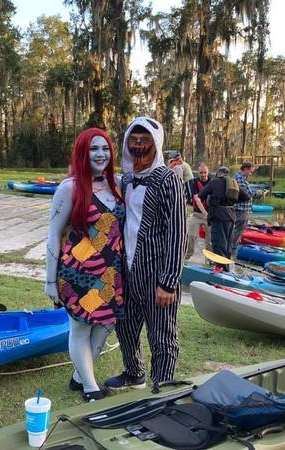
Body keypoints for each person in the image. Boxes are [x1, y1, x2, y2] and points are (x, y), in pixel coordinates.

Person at [105, 117, 186, 390]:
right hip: (128, 269)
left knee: (161, 334)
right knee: (125, 326)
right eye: (134, 140)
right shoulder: (127, 180)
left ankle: (162, 386)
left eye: (145, 140)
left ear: (156, 143)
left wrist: (169, 281)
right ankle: (134, 371)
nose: (139, 146)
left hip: (157, 273)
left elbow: (177, 232)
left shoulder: (169, 180)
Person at [45, 128, 125, 402]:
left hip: (110, 273)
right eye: (93, 149)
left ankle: (80, 377)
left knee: (104, 325)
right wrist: (49, 280)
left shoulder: (115, 186)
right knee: (81, 327)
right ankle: (91, 388)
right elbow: (53, 234)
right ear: (82, 152)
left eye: (105, 148)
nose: (101, 154)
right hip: (77, 274)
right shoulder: (70, 188)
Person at [198, 166, 250, 269]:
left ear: (218, 173)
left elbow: (201, 194)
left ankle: (220, 268)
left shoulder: (214, 182)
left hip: (217, 215)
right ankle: (226, 268)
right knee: (227, 243)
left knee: (218, 243)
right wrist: (231, 202)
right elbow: (246, 197)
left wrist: (214, 199)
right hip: (231, 216)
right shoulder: (233, 183)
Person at [230, 161, 262, 258]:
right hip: (241, 208)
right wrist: (258, 193)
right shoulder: (240, 179)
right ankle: (232, 248)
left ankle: (233, 245)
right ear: (246, 169)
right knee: (239, 229)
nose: (251, 173)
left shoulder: (239, 176)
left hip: (240, 208)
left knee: (237, 228)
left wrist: (255, 167)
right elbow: (247, 194)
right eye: (251, 171)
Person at [185, 163, 211, 260]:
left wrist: (209, 215)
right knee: (191, 236)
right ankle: (186, 257)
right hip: (197, 214)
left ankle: (210, 260)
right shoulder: (194, 182)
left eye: (205, 172)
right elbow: (196, 199)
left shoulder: (213, 181)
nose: (203, 175)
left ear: (208, 172)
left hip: (210, 216)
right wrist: (205, 213)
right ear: (198, 173)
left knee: (210, 240)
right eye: (201, 173)